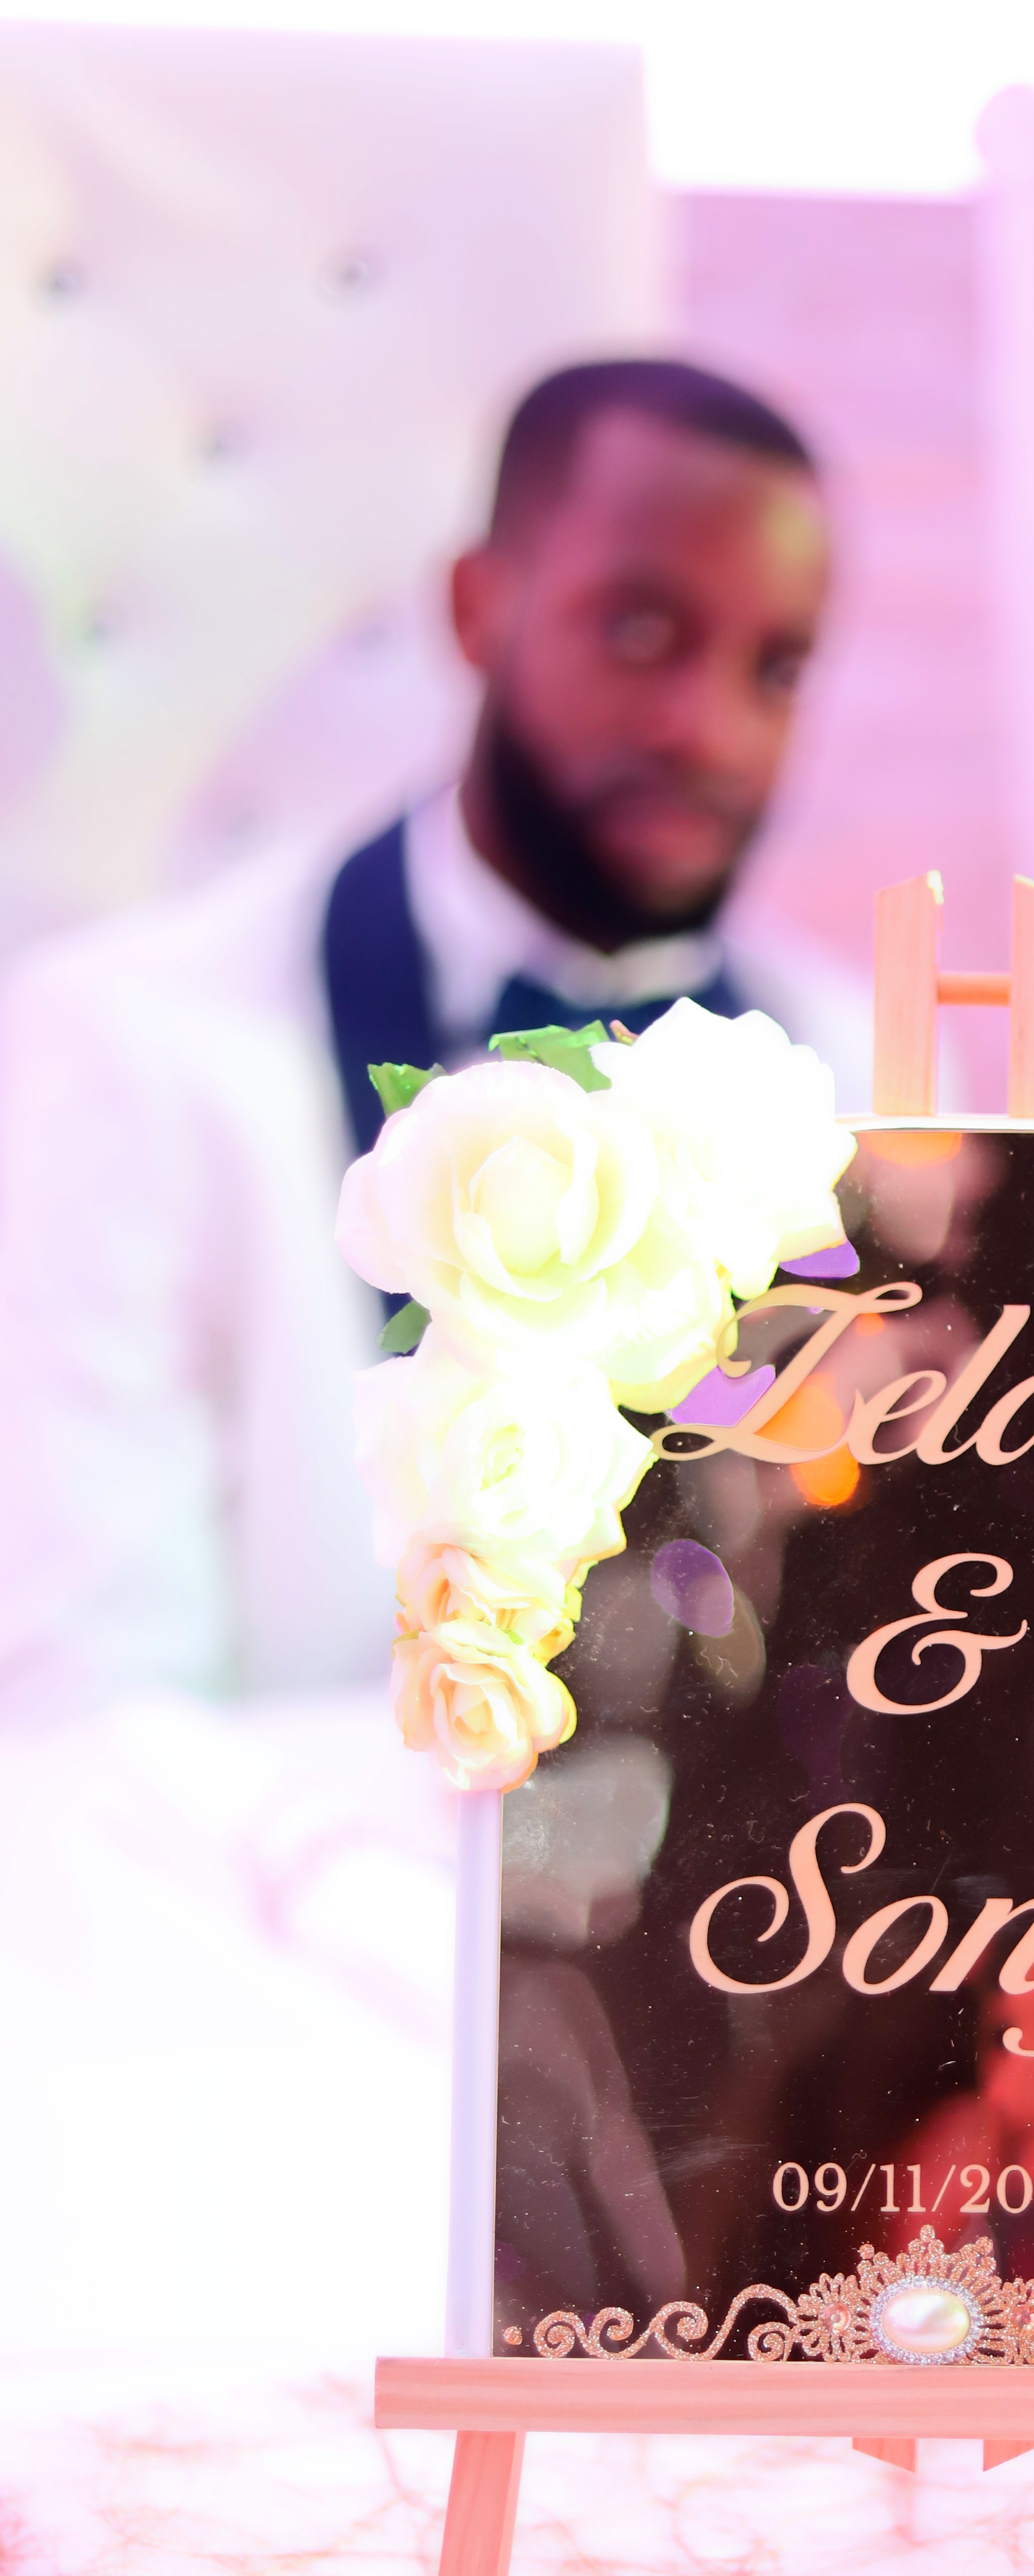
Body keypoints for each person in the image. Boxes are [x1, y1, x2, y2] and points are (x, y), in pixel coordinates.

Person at [0, 358, 865, 1712]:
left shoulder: (853, 1062)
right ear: (477, 609)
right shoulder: (130, 1052)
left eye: (779, 667)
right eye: (642, 631)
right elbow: (88, 1728)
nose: (710, 731)